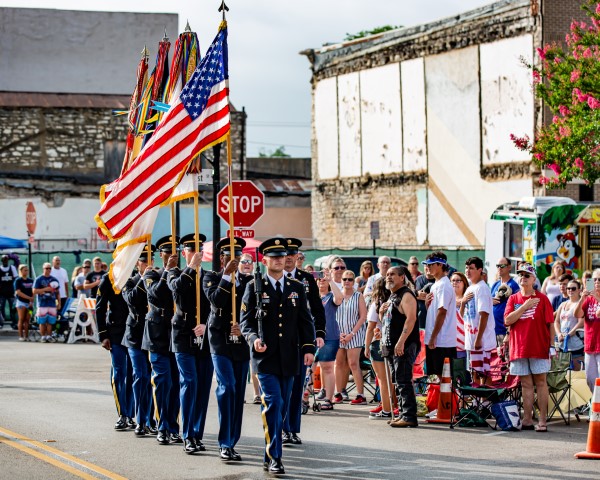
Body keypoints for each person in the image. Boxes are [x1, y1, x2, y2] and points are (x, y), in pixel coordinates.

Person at [240, 237, 316, 475]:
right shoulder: (254, 286)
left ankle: (269, 453)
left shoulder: (296, 287)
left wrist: (309, 348)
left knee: (281, 408)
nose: (279, 260)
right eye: (273, 257)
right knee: (273, 403)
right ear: (264, 261)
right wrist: (254, 339)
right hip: (265, 358)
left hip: (290, 357)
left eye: (282, 256)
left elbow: (305, 322)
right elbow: (246, 322)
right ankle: (276, 457)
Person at [203, 237, 251, 462]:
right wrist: (227, 277)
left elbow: (253, 311)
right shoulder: (211, 278)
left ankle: (232, 441)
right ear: (221, 258)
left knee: (238, 391)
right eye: (229, 255)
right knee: (227, 387)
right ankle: (224, 442)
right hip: (219, 340)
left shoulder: (249, 282)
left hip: (240, 342)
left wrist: (243, 327)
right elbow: (216, 301)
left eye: (238, 256)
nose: (234, 259)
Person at [167, 233, 213, 454]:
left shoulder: (209, 276)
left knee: (203, 387)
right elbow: (176, 289)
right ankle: (187, 434)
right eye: (191, 250)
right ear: (184, 252)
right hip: (183, 336)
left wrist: (206, 324)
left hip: (204, 337)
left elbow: (216, 305)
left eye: (198, 250)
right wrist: (190, 268)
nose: (196, 254)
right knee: (190, 382)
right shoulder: (175, 273)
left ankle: (197, 433)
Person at [281, 238, 325, 445]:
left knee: (297, 385)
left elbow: (316, 308)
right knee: (282, 387)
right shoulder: (273, 278)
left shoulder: (306, 279)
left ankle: (291, 429)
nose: (290, 258)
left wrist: (319, 333)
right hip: (279, 340)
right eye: (286, 254)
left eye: (293, 254)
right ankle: (280, 427)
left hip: (300, 340)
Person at [504, 262, 554, 432]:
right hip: (519, 348)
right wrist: (525, 306)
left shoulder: (543, 298)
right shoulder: (513, 299)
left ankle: (542, 420)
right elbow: (507, 320)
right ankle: (527, 419)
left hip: (539, 347)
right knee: (525, 384)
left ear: (534, 279)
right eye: (520, 275)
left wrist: (552, 346)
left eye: (527, 275)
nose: (523, 278)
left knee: (540, 382)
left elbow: (550, 324)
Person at [143, 236, 181, 446]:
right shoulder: (151, 274)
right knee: (162, 381)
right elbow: (156, 294)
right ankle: (162, 426)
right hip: (157, 336)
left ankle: (173, 426)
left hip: (178, 336)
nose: (172, 256)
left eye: (176, 252)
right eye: (168, 252)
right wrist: (167, 271)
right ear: (161, 255)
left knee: (176, 384)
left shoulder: (183, 275)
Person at [121, 245, 155, 436]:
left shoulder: (158, 279)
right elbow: (132, 299)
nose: (147, 264)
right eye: (143, 261)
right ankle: (140, 420)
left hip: (154, 336)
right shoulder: (130, 280)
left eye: (150, 260)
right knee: (141, 376)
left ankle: (151, 419)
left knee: (154, 379)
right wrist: (144, 279)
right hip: (135, 336)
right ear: (137, 264)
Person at [382, 266, 420, 428]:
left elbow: (411, 319)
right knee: (398, 381)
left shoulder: (406, 295)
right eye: (387, 274)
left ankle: (409, 416)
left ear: (402, 277)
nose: (389, 277)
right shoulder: (393, 296)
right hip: (391, 345)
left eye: (392, 274)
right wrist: (381, 313)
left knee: (403, 380)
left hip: (404, 345)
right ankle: (403, 413)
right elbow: (390, 320)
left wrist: (401, 341)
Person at [95, 270, 134, 430]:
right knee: (119, 374)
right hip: (116, 333)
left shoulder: (136, 275)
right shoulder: (109, 277)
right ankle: (123, 414)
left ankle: (131, 413)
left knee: (134, 375)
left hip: (135, 332)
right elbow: (100, 307)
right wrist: (103, 334)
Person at [333, 269, 367, 405]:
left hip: (355, 334)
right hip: (339, 334)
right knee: (339, 363)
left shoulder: (358, 296)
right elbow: (332, 315)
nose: (347, 281)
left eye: (350, 279)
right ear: (341, 281)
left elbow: (363, 317)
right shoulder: (337, 295)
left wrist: (351, 334)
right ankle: (338, 392)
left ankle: (360, 395)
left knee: (353, 363)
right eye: (344, 279)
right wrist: (338, 333)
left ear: (354, 281)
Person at [460, 257, 494, 384]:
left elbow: (484, 314)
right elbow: (463, 315)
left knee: (483, 373)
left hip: (482, 341)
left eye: (471, 268)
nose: (468, 271)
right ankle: (476, 396)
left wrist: (478, 338)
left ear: (480, 270)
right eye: (466, 268)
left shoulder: (482, 288)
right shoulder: (470, 288)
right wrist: (462, 303)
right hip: (471, 340)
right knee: (474, 373)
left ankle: (486, 397)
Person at [423, 251, 457, 376]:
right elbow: (435, 312)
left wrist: (433, 337)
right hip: (436, 339)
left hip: (442, 341)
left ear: (440, 265)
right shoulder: (436, 285)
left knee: (444, 378)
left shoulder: (443, 285)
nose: (427, 267)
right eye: (427, 264)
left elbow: (442, 312)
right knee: (437, 377)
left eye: (431, 264)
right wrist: (427, 305)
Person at [364, 277, 393, 419]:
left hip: (378, 342)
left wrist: (366, 346)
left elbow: (370, 327)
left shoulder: (377, 303)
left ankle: (387, 410)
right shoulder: (393, 301)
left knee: (382, 379)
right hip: (392, 341)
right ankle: (392, 406)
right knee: (390, 378)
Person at [314, 268, 342, 411]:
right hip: (310, 336)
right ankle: (304, 398)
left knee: (327, 367)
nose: (322, 281)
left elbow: (340, 298)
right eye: (319, 279)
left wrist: (331, 280)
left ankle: (328, 399)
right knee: (308, 368)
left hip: (329, 336)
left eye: (324, 280)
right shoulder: (312, 297)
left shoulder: (331, 296)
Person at [573, 269, 600, 393]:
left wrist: (597, 297)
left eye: (599, 279)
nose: (597, 282)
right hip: (590, 345)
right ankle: (596, 403)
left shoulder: (595, 297)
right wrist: (582, 299)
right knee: (590, 379)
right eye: (594, 279)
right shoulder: (588, 299)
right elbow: (577, 314)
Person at [555, 279, 584, 370]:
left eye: (573, 288)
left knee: (577, 374)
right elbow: (556, 321)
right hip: (562, 345)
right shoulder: (562, 304)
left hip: (576, 345)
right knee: (562, 373)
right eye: (568, 288)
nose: (570, 290)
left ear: (579, 290)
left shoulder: (580, 304)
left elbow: (581, 323)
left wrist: (569, 334)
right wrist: (559, 334)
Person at [490, 258, 519, 347]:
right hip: (493, 330)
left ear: (509, 267)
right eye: (498, 266)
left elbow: (517, 308)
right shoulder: (495, 285)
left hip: (504, 330)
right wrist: (490, 301)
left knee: (504, 355)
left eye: (502, 266)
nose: (499, 268)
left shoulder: (513, 285)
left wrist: (509, 332)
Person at [32, 263, 60, 343]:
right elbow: (34, 291)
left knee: (50, 322)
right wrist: (45, 289)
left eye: (49, 268)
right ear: (43, 269)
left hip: (52, 304)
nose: (48, 270)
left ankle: (49, 336)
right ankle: (43, 336)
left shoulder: (54, 279)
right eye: (46, 268)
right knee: (42, 322)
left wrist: (59, 303)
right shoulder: (39, 279)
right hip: (42, 304)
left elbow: (57, 292)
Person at [450, 272, 469, 357]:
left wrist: (463, 304)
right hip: (449, 343)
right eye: (453, 280)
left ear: (464, 283)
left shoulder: (468, 299)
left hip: (463, 344)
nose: (455, 283)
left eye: (458, 280)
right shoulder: (446, 300)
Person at [14, 264, 34, 341]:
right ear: (21, 271)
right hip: (21, 302)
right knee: (21, 319)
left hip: (30, 303)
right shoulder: (18, 281)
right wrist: (29, 298)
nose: (26, 271)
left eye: (27, 270)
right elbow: (18, 292)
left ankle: (26, 336)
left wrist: (32, 299)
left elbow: (34, 291)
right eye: (25, 270)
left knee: (27, 320)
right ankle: (21, 336)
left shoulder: (31, 280)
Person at [0, 254, 18, 329]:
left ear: (8, 260)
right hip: (1, 293)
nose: (5, 261)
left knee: (13, 309)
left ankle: (14, 323)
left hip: (11, 292)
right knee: (1, 308)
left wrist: (16, 290)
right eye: (4, 260)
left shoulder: (12, 268)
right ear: (1, 261)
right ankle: (1, 323)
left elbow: (16, 279)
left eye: (6, 259)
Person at [415, 265, 435, 329]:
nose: (428, 268)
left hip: (434, 317)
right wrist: (417, 294)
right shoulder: (418, 279)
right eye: (426, 266)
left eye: (430, 266)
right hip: (420, 318)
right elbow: (410, 293)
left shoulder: (439, 280)